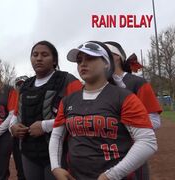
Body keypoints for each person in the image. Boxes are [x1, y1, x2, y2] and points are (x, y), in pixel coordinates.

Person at [49, 41, 158, 180]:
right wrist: (55, 167)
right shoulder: (68, 101)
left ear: (106, 63)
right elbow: (57, 136)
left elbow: (147, 141)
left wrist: (111, 175)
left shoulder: (124, 97)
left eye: (90, 58)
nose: (83, 63)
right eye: (79, 60)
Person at [10, 41, 83, 180]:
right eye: (35, 55)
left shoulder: (68, 81)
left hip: (59, 151)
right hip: (28, 151)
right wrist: (12, 128)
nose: (38, 58)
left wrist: (45, 126)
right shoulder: (25, 85)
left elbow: (81, 117)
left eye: (44, 55)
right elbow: (15, 115)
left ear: (54, 60)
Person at [105, 41, 162, 180]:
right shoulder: (99, 84)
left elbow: (154, 121)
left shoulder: (137, 83)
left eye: (103, 54)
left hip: (131, 155)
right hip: (102, 156)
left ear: (117, 56)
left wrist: (120, 126)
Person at [12, 75, 29, 180]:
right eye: (18, 85)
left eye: (23, 84)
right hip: (17, 138)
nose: (21, 86)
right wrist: (12, 127)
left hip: (32, 138)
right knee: (20, 170)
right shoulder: (14, 99)